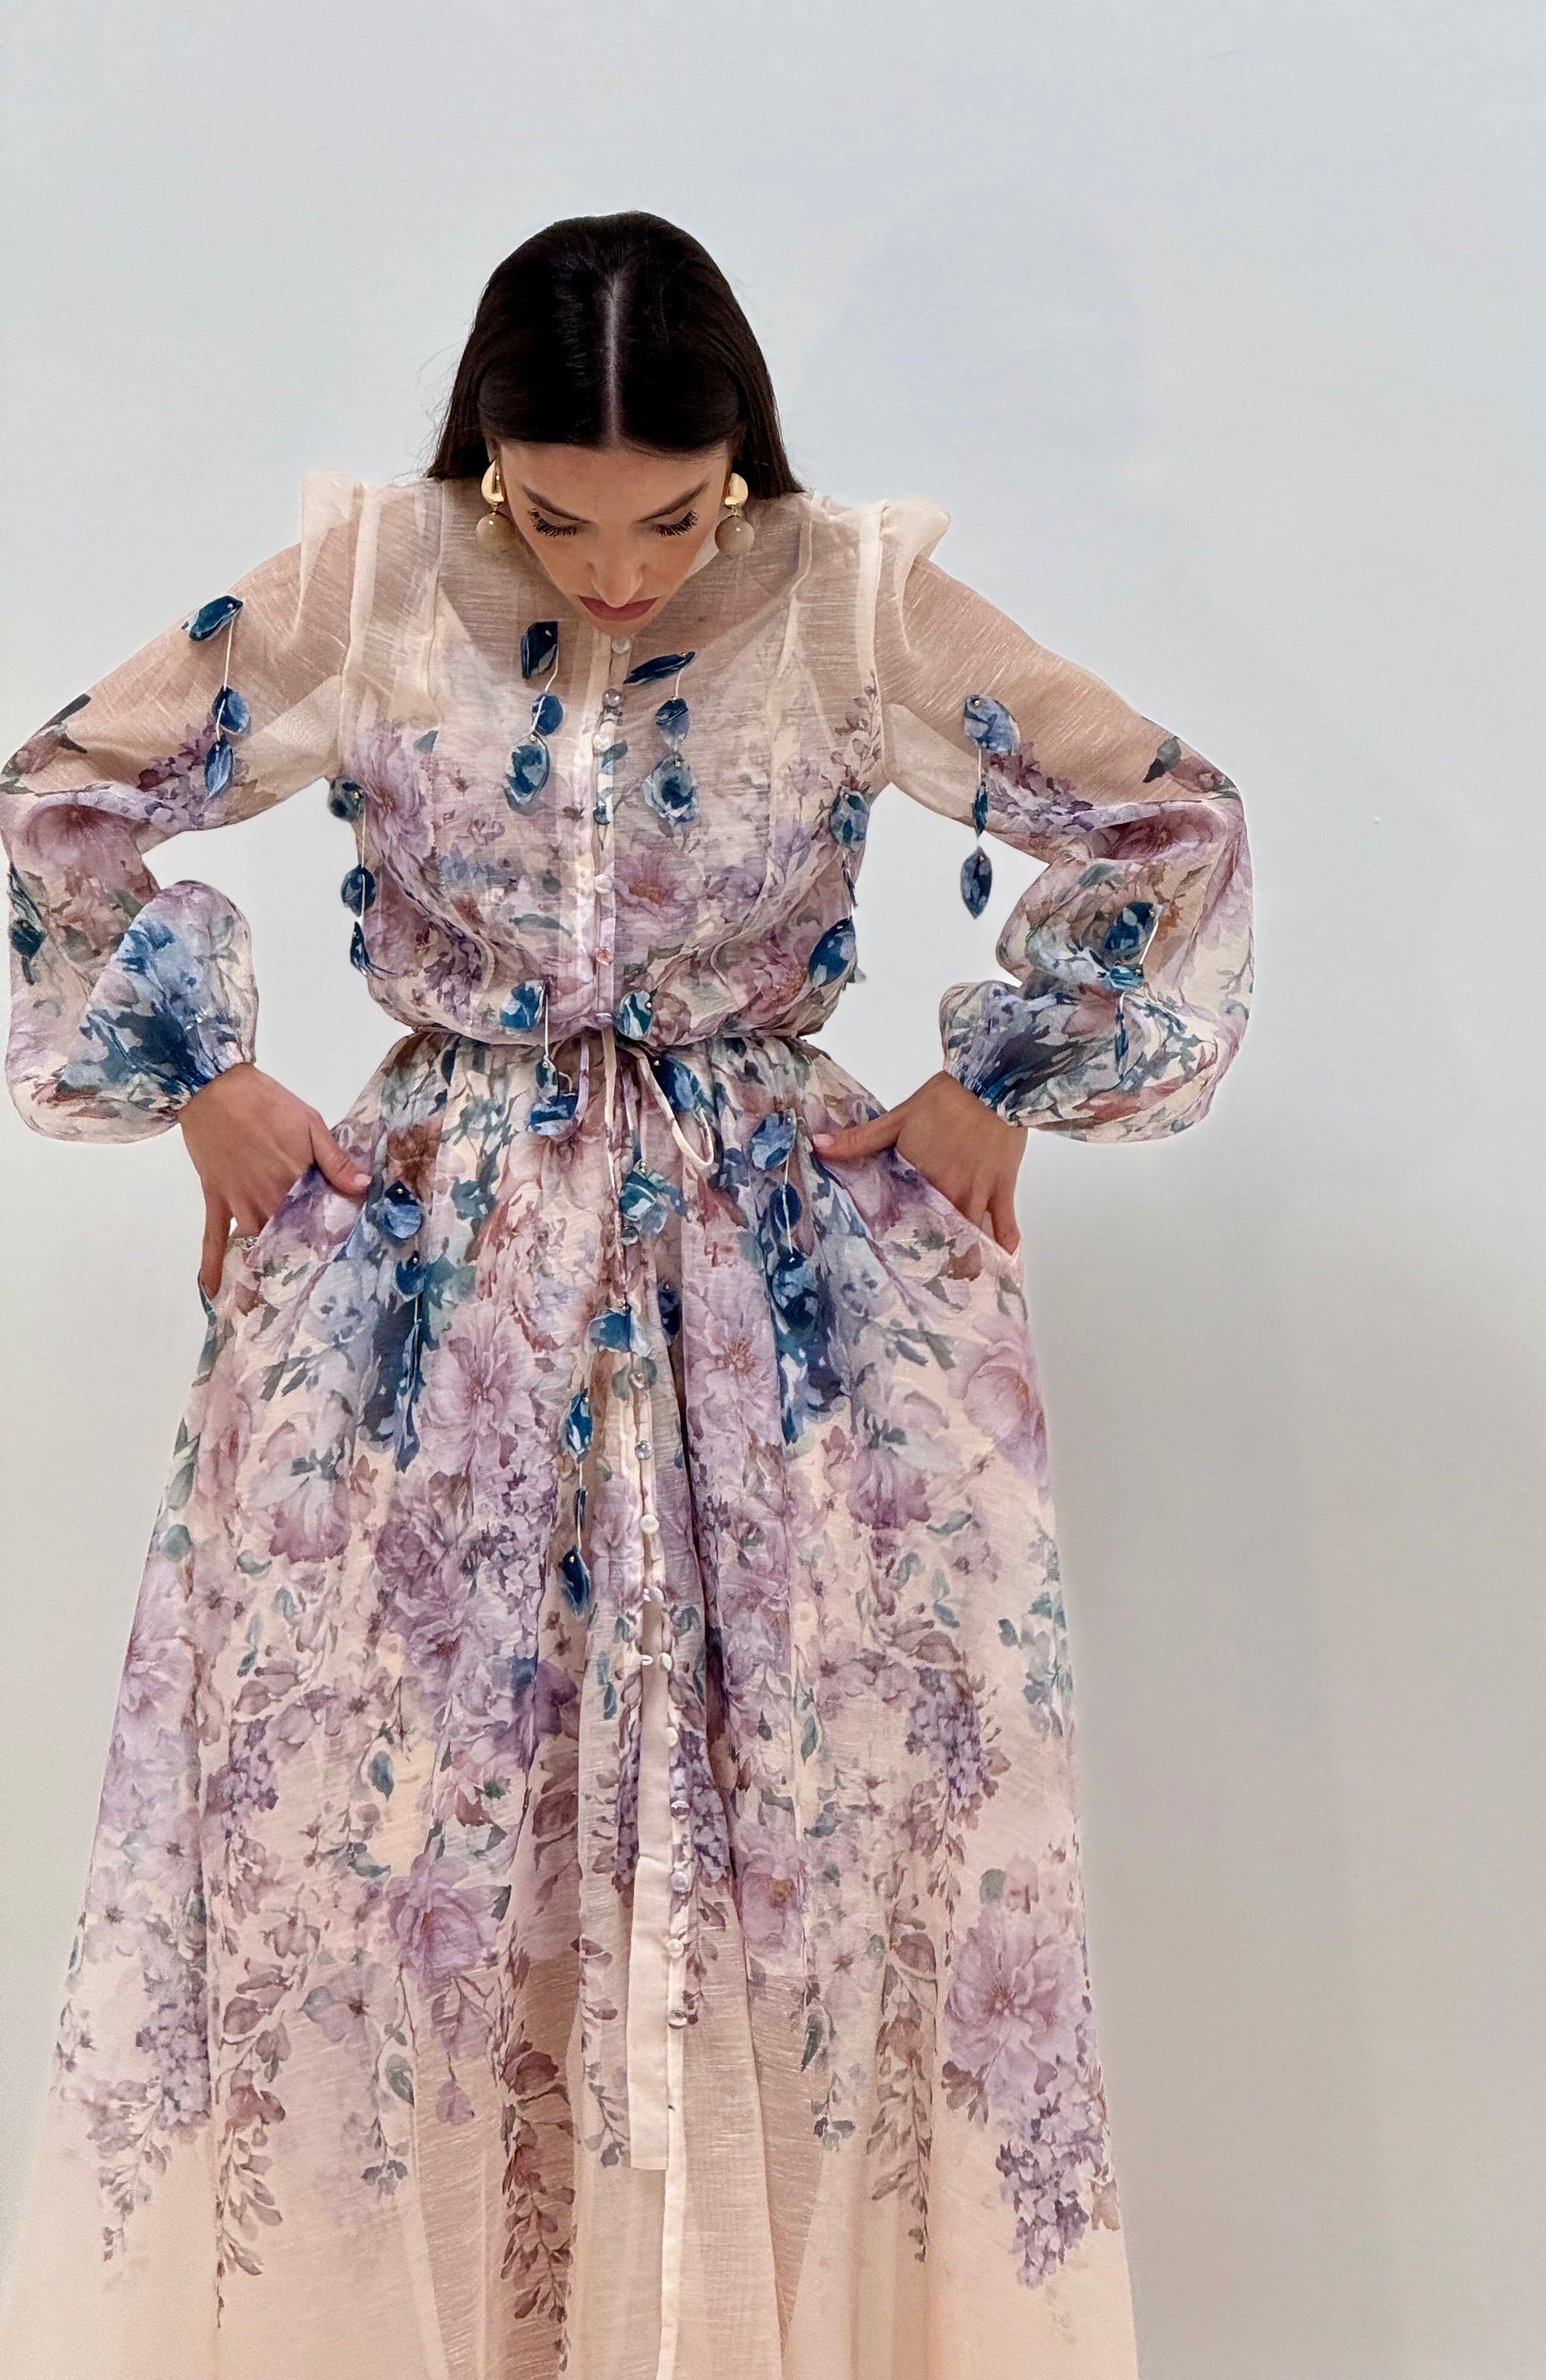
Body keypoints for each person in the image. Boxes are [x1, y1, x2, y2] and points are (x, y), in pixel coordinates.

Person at [0, 211, 1253, 2379]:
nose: (617, 574)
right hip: (430, 1310)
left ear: (737, 457)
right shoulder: (373, 586)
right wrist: (195, 1075)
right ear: (486, 464)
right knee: (399, 1870)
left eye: (672, 517)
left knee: (815, 1862)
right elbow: (54, 804)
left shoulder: (846, 598)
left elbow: (1172, 825)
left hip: (784, 1313)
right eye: (557, 519)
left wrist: (1001, 1082)